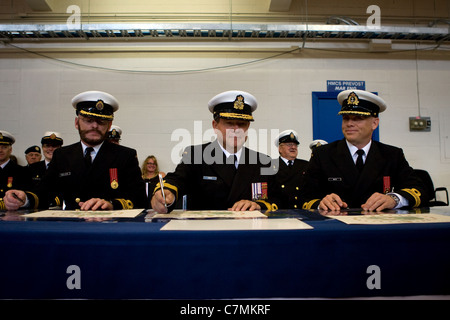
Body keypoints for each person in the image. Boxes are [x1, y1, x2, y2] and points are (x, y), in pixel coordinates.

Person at [4, 91, 147, 211]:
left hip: (110, 227)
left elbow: (139, 198)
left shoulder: (125, 155)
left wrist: (112, 204)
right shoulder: (62, 155)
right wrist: (24, 199)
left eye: (101, 121)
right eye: (88, 120)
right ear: (76, 122)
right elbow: (44, 192)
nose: (94, 126)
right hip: (72, 228)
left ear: (109, 125)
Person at [151, 90, 279, 213]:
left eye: (242, 124)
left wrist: (258, 205)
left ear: (248, 127)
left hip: (250, 232)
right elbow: (178, 180)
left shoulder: (263, 161)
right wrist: (166, 194)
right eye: (229, 123)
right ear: (215, 125)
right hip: (207, 232)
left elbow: (278, 198)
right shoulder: (196, 155)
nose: (236, 129)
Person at [300, 90, 429, 212]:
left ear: (374, 123)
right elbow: (304, 196)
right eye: (346, 118)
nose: (349, 123)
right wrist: (320, 203)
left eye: (357, 118)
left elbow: (419, 189)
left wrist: (394, 199)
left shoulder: (391, 155)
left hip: (379, 228)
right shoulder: (323, 154)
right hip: (337, 228)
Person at [273, 130, 309, 209]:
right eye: (289, 144)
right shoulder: (271, 165)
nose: (293, 147)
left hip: (302, 211)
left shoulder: (306, 165)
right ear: (280, 149)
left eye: (295, 145)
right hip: (280, 212)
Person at [28, 132, 64, 206]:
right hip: (36, 208)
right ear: (42, 147)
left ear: (60, 148)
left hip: (59, 208)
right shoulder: (32, 168)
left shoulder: (67, 167)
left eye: (54, 146)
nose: (50, 149)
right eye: (47, 146)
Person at [0, 131, 31, 210]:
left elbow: (24, 198)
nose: (0, 150)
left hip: (13, 215)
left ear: (10, 150)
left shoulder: (22, 171)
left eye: (4, 147)